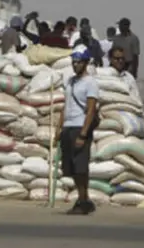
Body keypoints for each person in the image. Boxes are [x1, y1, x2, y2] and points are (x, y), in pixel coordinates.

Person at [56, 45, 99, 215]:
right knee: (71, 168)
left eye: (79, 62)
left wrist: (83, 133)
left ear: (86, 63)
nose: (75, 65)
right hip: (68, 126)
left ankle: (82, 200)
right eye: (74, 62)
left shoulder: (90, 83)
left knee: (81, 167)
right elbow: (65, 106)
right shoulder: (70, 82)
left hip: (80, 127)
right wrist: (59, 128)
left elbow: (91, 110)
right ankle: (84, 199)